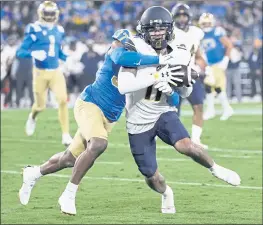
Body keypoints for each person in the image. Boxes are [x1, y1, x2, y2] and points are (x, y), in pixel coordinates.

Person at [18, 27, 181, 215]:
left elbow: (172, 98)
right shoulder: (119, 54)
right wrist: (158, 59)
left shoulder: (144, 66)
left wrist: (172, 89)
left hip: (110, 117)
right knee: (98, 144)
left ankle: (34, 173)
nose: (114, 45)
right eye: (116, 42)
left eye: (119, 42)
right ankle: (69, 194)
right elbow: (120, 57)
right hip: (90, 104)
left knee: (69, 159)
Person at [118, 6, 241, 214]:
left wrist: (178, 85)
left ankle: (215, 168)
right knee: (151, 175)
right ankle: (166, 193)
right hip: (138, 118)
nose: (157, 33)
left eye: (161, 29)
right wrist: (158, 78)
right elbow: (124, 85)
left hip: (162, 111)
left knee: (186, 145)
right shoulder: (135, 47)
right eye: (152, 29)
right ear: (143, 30)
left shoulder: (179, 50)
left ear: (170, 29)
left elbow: (185, 92)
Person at [16, 1, 72, 145]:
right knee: (40, 106)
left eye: (51, 14)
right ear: (41, 13)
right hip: (40, 72)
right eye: (47, 14)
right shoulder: (33, 28)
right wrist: (34, 53)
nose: (49, 16)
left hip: (55, 71)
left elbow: (57, 51)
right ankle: (33, 116)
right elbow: (20, 51)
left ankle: (65, 134)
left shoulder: (59, 30)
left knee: (62, 100)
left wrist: (67, 58)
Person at [170, 3, 208, 149]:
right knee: (173, 110)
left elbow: (197, 54)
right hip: (173, 74)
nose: (182, 18)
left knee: (198, 106)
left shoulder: (196, 32)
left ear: (189, 16)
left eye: (184, 15)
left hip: (191, 74)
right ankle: (175, 138)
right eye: (179, 15)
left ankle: (196, 139)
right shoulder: (170, 32)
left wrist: (205, 67)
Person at [199, 13, 234, 121]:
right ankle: (215, 110)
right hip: (208, 65)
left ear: (212, 23)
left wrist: (225, 59)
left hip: (218, 64)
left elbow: (229, 45)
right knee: (210, 87)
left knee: (216, 87)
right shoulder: (200, 34)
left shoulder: (217, 32)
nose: (206, 25)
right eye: (204, 23)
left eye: (208, 23)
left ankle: (221, 109)